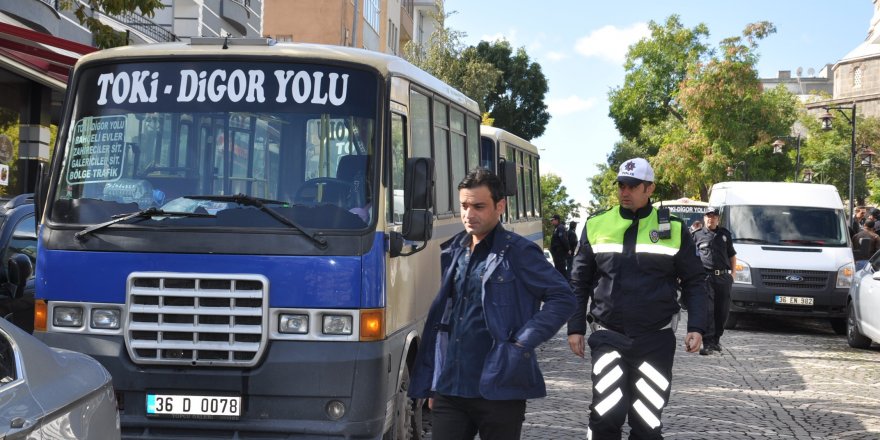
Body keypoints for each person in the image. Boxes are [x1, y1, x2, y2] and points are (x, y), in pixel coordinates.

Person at [409, 168, 575, 440]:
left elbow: (563, 297)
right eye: (464, 205)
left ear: (500, 206)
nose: (468, 214)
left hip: (500, 387)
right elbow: (448, 319)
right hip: (451, 388)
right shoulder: (454, 251)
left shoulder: (519, 252)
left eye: (478, 206)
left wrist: (522, 342)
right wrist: (435, 381)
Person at [567, 157, 707, 440]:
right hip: (608, 335)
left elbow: (695, 280)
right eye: (621, 185)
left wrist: (698, 326)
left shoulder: (675, 229)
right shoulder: (596, 224)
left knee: (647, 421)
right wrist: (575, 328)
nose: (624, 192)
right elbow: (578, 281)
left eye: (632, 186)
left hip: (655, 340)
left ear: (649, 188)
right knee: (605, 416)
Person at [692, 207, 737, 356]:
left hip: (723, 277)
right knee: (708, 310)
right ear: (704, 218)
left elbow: (732, 255)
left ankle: (716, 340)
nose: (711, 219)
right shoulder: (697, 235)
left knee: (722, 311)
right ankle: (708, 342)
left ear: (718, 218)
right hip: (706, 277)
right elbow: (690, 257)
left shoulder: (725, 235)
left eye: (714, 216)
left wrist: (733, 274)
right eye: (708, 216)